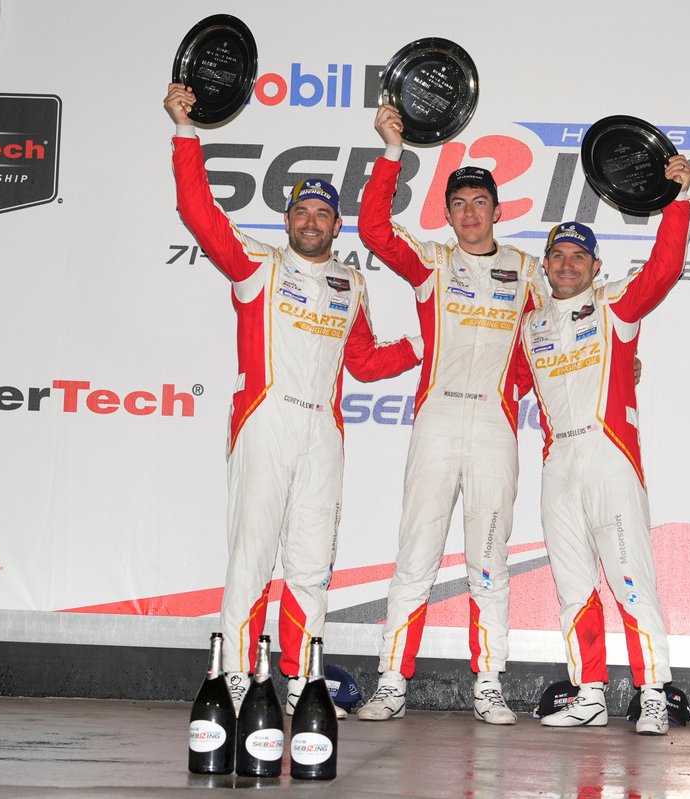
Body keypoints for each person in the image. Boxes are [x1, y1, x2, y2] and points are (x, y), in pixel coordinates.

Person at [163, 84, 421, 718]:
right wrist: (184, 132)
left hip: (324, 435)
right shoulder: (257, 266)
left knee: (310, 566)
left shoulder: (351, 283)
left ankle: (302, 680)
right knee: (251, 556)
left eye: (323, 215)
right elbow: (199, 213)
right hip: (265, 422)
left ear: (337, 226)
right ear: (287, 221)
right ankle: (233, 678)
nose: (311, 222)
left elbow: (363, 362)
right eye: (302, 212)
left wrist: (427, 341)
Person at [353, 104, 548, 724]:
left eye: (479, 203)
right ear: (447, 214)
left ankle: (488, 683)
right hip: (436, 420)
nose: (469, 213)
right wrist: (391, 153)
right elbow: (375, 230)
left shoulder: (528, 271)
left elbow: (570, 332)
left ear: (497, 210)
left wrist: (625, 368)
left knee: (489, 560)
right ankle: (390, 680)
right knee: (416, 555)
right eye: (458, 203)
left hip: (494, 425)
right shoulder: (434, 263)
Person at [513, 155, 690, 735]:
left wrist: (679, 200)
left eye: (579, 257)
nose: (568, 265)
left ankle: (652, 695)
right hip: (557, 463)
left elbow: (664, 269)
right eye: (558, 256)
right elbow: (502, 382)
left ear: (596, 264)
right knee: (572, 586)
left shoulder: (615, 305)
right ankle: (588, 692)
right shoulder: (531, 324)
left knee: (630, 579)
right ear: (545, 266)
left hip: (609, 457)